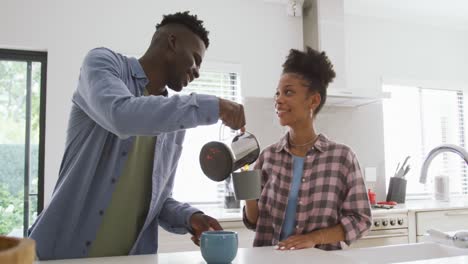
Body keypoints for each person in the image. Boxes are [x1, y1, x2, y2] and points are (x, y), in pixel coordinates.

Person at [29, 11, 246, 260]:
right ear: (172, 42)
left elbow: (156, 201)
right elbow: (121, 116)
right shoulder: (103, 64)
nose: (197, 72)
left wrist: (190, 217)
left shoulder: (174, 123)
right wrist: (212, 106)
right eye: (195, 59)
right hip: (59, 254)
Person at [243, 47, 371, 251]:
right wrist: (246, 184)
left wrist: (314, 238)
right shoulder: (268, 157)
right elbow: (254, 221)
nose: (278, 99)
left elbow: (361, 220)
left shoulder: (342, 158)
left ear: (313, 100)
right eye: (277, 93)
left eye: (289, 92)